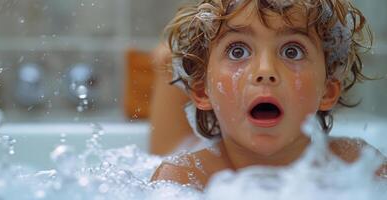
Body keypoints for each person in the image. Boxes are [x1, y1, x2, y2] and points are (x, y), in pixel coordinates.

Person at [150, 0, 387, 189]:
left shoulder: (358, 165)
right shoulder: (185, 178)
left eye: (292, 51)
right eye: (237, 51)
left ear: (327, 91)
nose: (265, 71)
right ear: (203, 92)